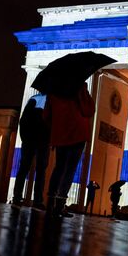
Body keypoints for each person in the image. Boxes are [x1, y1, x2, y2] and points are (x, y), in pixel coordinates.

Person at [44, 83, 94, 218]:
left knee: (59, 167)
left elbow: (47, 116)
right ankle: (60, 204)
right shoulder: (80, 88)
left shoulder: (53, 90)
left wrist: (55, 130)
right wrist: (85, 93)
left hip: (60, 134)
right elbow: (88, 110)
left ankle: (50, 202)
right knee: (70, 169)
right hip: (77, 134)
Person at [12, 94, 50, 209]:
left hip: (37, 141)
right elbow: (24, 120)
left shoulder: (36, 99)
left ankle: (22, 198)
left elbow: (23, 120)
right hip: (35, 140)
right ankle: (32, 199)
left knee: (30, 169)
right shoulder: (37, 100)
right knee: (34, 169)